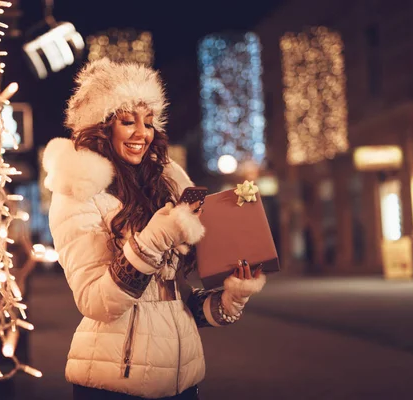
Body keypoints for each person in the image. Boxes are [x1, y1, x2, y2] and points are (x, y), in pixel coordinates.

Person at [43, 58, 266, 400]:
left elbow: (176, 303)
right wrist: (154, 240)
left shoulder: (163, 186)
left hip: (181, 382)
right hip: (115, 383)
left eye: (148, 122)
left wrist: (231, 298)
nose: (141, 133)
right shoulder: (80, 191)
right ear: (103, 126)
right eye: (128, 121)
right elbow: (96, 303)